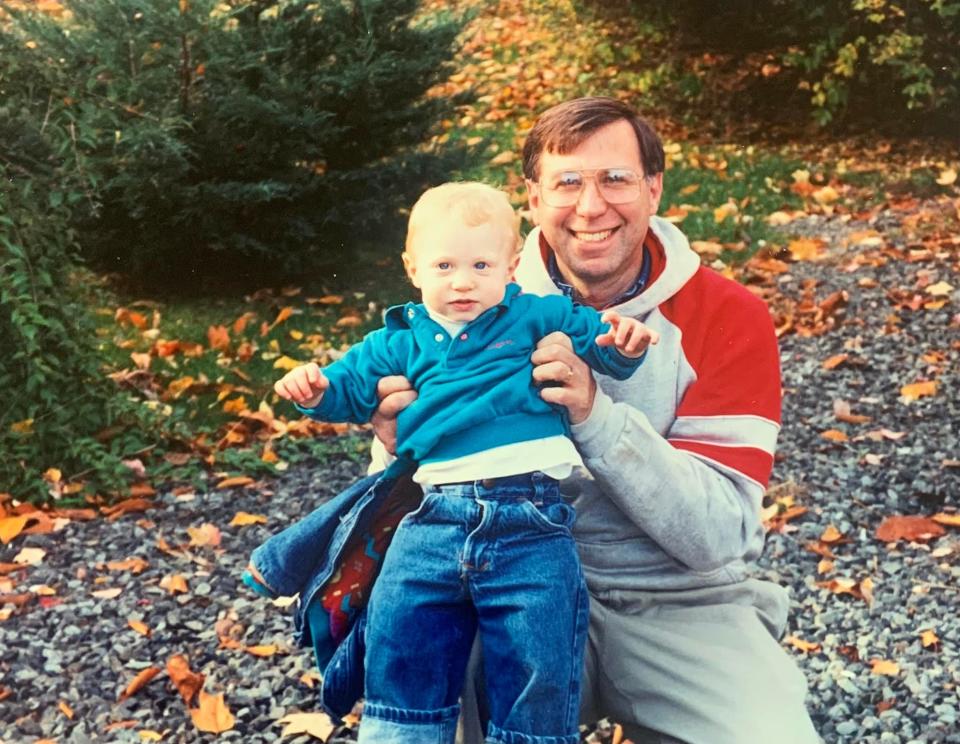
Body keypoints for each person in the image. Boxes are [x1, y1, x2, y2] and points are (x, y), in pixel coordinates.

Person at [370, 97, 821, 744]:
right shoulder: (463, 300)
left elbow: (717, 534)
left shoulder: (729, 315)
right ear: (531, 197)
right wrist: (396, 451)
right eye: (567, 183)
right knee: (420, 668)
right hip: (508, 581)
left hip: (681, 604)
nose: (590, 206)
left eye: (615, 179)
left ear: (654, 188)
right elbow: (405, 533)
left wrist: (593, 414)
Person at [271, 181, 659, 744]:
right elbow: (349, 387)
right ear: (413, 268)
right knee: (403, 631)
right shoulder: (399, 338)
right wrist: (314, 389)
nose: (462, 281)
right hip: (431, 516)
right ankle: (401, 732)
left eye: (481, 264)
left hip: (531, 516)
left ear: (513, 264)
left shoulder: (534, 316)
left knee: (537, 649)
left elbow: (599, 345)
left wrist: (623, 342)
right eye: (444, 264)